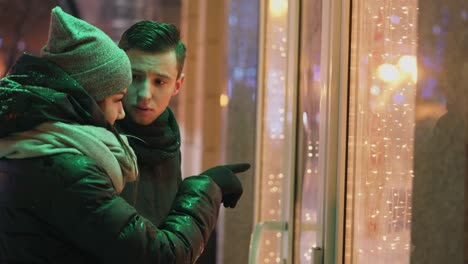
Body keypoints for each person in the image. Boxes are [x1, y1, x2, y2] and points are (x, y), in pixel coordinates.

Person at [0, 7, 249, 264]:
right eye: (134, 79)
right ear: (91, 96)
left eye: (159, 81)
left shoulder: (162, 140)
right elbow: (159, 254)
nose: (143, 94)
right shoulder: (76, 157)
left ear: (178, 84)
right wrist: (205, 189)